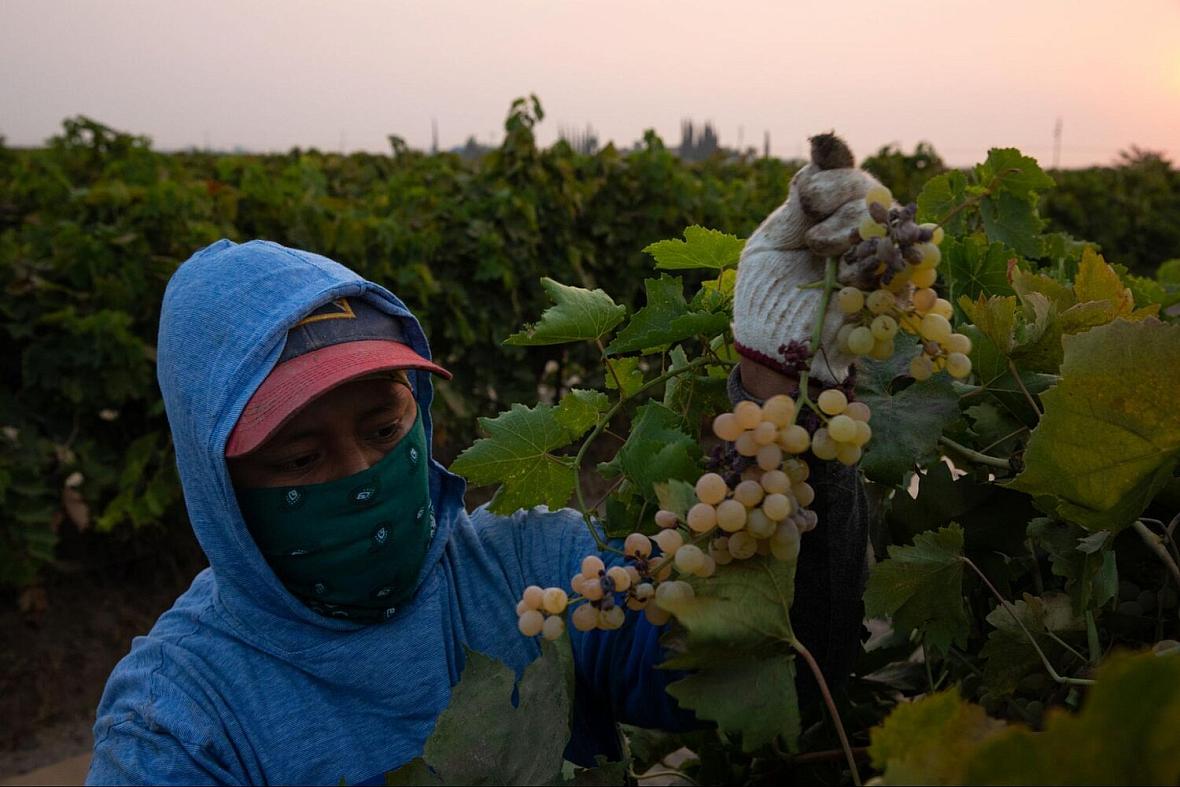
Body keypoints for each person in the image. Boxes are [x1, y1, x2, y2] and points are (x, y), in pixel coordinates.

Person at [86, 137, 878, 785]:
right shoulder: (176, 719)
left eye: (385, 424)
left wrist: (782, 390)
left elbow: (767, 671)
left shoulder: (539, 569)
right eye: (299, 456)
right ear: (220, 490)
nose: (360, 471)